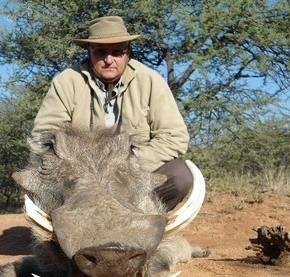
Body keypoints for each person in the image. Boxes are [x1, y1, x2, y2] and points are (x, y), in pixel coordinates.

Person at [32, 15, 192, 211]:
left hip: (134, 178)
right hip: (80, 183)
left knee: (180, 176)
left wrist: (126, 167)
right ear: (89, 51)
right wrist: (83, 171)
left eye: (117, 52)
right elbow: (44, 136)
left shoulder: (150, 80)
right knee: (37, 178)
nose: (108, 60)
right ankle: (70, 229)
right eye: (100, 52)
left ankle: (142, 223)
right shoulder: (66, 81)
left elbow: (174, 136)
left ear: (128, 52)